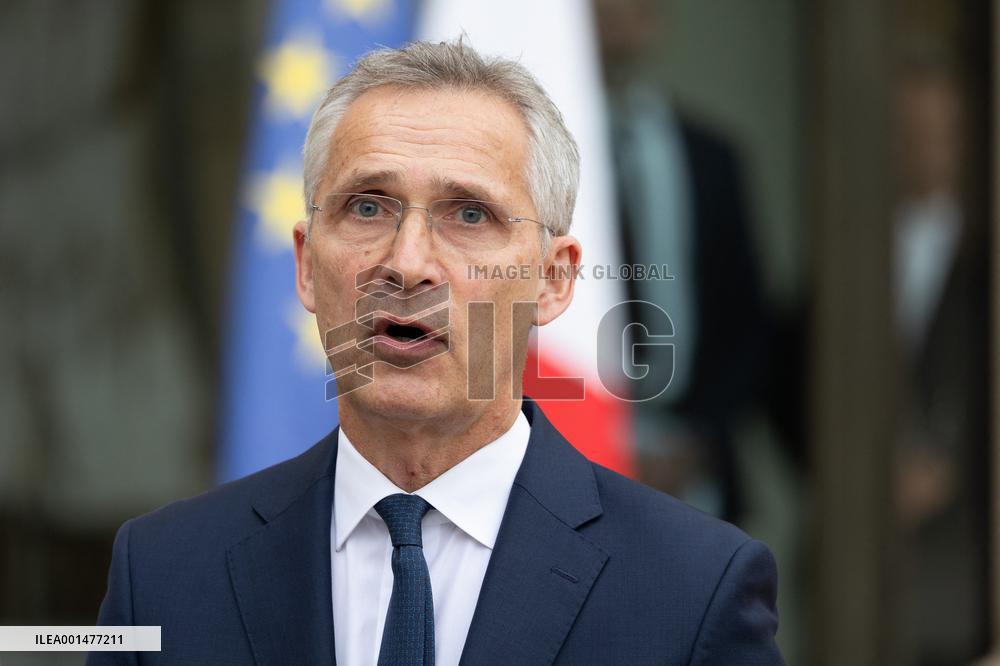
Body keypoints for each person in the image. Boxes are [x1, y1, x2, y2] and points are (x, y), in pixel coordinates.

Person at [90, 40, 782, 665]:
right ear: (305, 265)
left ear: (553, 278)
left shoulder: (694, 591)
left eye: (470, 214)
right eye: (368, 207)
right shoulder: (164, 574)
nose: (408, 263)